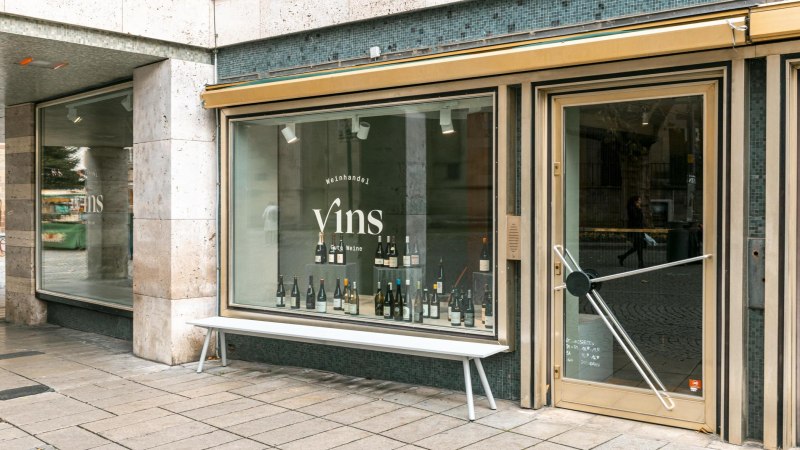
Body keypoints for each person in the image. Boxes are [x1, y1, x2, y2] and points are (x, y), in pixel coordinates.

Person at [618, 195, 645, 268]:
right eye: (639, 200)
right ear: (635, 201)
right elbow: (636, 218)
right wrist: (639, 209)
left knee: (638, 246)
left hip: (639, 230)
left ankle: (623, 257)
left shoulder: (636, 208)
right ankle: (640, 263)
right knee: (639, 246)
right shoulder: (632, 208)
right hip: (635, 230)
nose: (640, 202)